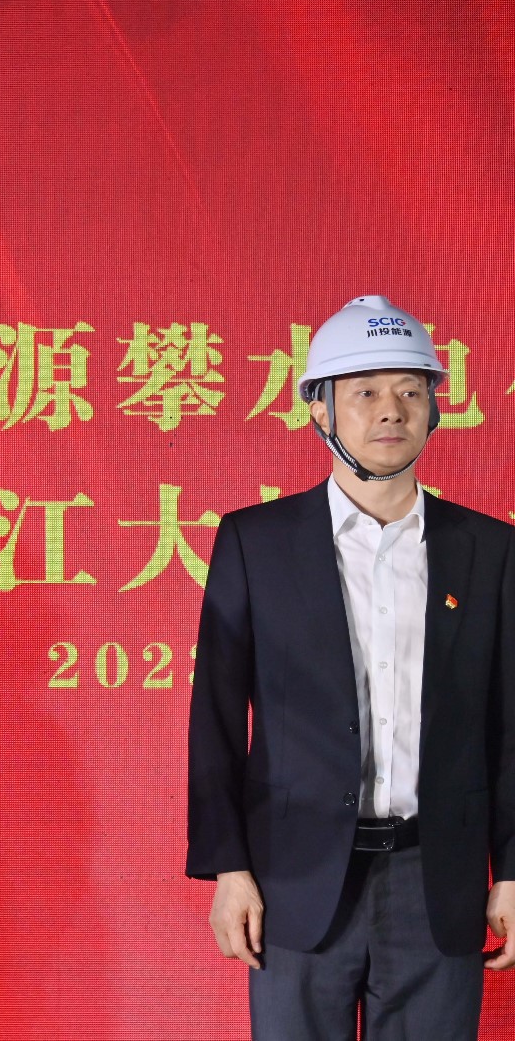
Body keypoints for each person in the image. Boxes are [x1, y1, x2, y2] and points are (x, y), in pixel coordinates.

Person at [187, 296, 515, 1038]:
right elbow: (215, 719)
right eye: (364, 392)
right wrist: (228, 870)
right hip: (295, 880)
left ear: (434, 408)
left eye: (410, 390)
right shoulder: (256, 543)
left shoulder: (489, 550)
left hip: (438, 877)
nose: (391, 410)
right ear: (321, 410)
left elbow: (510, 726)